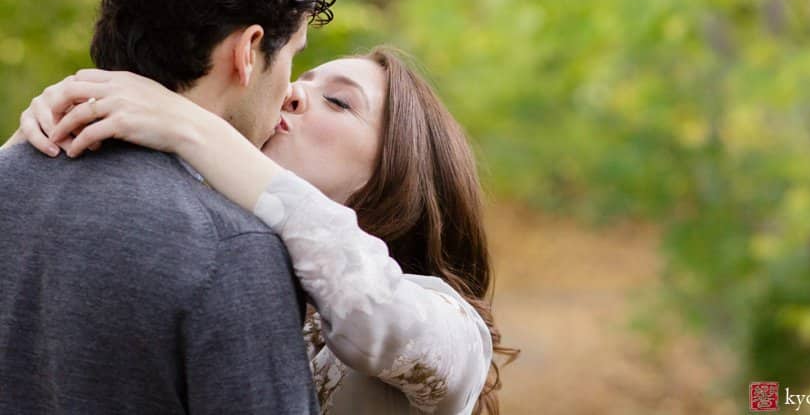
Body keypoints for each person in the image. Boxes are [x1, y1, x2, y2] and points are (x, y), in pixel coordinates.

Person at [11, 47, 516, 415]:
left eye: (339, 102)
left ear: (398, 178)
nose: (293, 93)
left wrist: (193, 127)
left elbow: (369, 310)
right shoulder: (212, 250)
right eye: (305, 78)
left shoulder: (456, 334)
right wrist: (39, 141)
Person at [0, 0, 338, 414]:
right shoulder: (230, 249)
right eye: (293, 53)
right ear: (248, 51)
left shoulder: (8, 175)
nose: (292, 89)